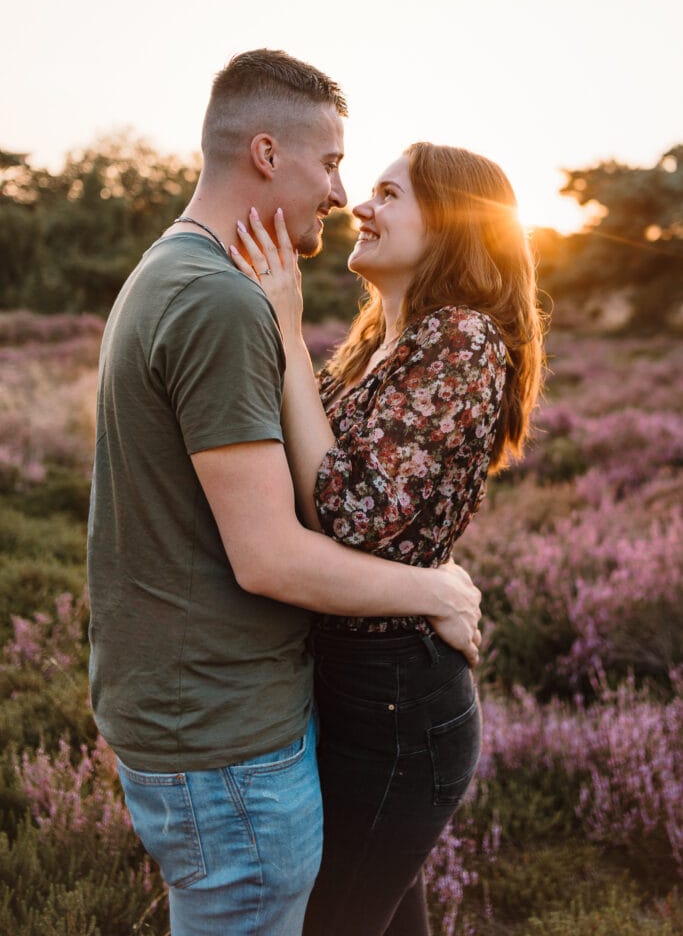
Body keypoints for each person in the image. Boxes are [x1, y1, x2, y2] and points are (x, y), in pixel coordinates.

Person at [87, 51, 484, 936]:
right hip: (224, 735)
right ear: (267, 154)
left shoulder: (168, 271)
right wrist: (437, 591)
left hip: (199, 712)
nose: (340, 194)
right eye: (333, 162)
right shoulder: (216, 302)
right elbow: (267, 553)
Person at [229, 141, 544, 936]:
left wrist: (285, 320)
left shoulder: (462, 339)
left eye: (388, 194)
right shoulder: (379, 343)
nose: (360, 208)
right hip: (346, 677)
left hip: (396, 699)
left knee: (331, 922)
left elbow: (342, 511)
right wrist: (430, 582)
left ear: (451, 224)